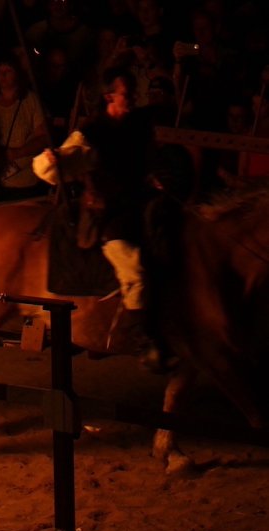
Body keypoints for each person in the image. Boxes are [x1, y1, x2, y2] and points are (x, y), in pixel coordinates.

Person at [78, 67, 168, 370]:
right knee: (135, 273)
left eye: (133, 94)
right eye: (126, 94)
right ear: (109, 97)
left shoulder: (138, 125)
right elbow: (83, 165)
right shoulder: (94, 130)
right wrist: (91, 190)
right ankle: (141, 340)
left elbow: (146, 160)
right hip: (111, 215)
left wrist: (153, 176)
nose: (132, 99)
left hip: (140, 204)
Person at [0, 52, 49, 200]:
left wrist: (17, 153)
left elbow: (43, 137)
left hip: (26, 182)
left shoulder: (31, 101)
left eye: (7, 71)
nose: (3, 76)